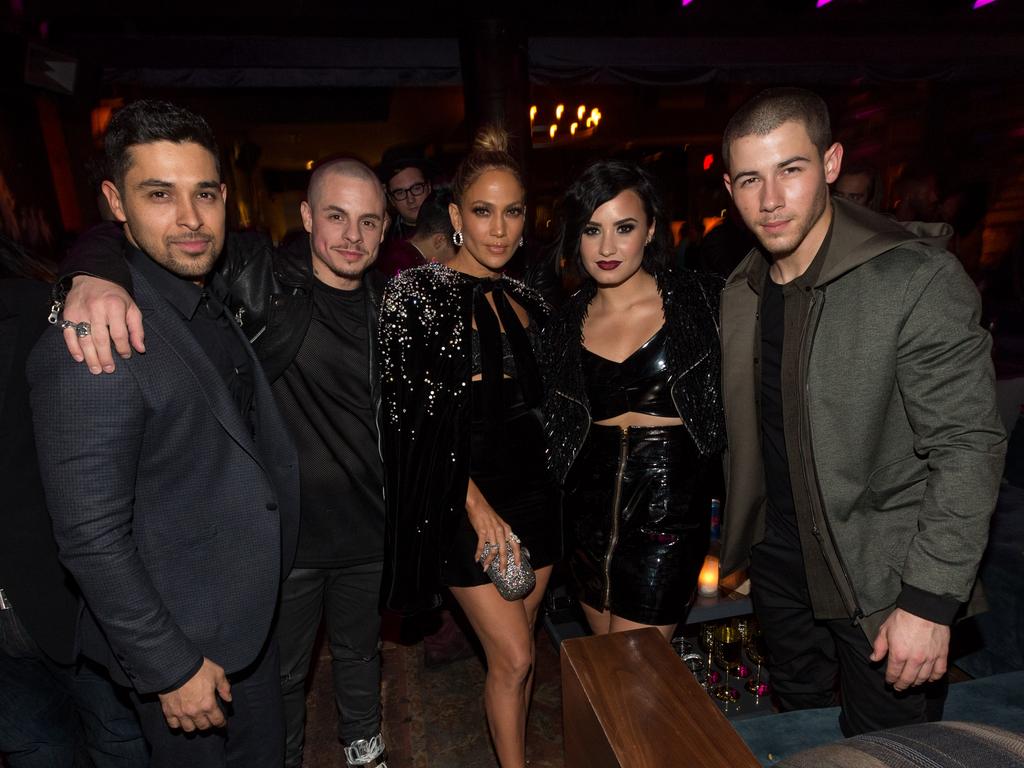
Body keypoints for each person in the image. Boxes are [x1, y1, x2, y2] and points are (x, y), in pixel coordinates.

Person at [56, 156, 394, 768]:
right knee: (282, 682)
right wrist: (90, 276)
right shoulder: (257, 273)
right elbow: (136, 231)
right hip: (284, 543)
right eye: (337, 217)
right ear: (306, 216)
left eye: (369, 222)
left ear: (385, 227)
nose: (352, 236)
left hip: (369, 531)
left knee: (360, 657)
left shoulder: (394, 310)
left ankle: (365, 751)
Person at [717, 87, 1005, 736]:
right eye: (749, 180)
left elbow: (968, 446)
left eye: (789, 170)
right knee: (806, 736)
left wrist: (930, 602)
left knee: (890, 750)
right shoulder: (745, 288)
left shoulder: (912, 279)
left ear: (831, 162)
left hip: (881, 579)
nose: (769, 200)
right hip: (782, 574)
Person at [27, 99, 300, 767]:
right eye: (159, 194)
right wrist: (168, 666)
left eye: (203, 193)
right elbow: (89, 534)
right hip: (183, 648)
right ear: (115, 203)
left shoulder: (202, 292)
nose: (189, 218)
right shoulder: (96, 335)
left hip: (244, 625)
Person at [378, 126, 559, 768]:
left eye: (513, 212)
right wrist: (474, 508)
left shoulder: (530, 296)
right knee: (510, 655)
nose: (500, 228)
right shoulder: (415, 295)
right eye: (483, 211)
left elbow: (548, 408)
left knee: (525, 650)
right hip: (462, 497)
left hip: (536, 494)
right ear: (456, 216)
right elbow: (412, 424)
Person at [542, 161, 726, 640]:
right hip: (587, 520)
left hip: (669, 516)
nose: (606, 248)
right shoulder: (562, 326)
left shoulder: (703, 301)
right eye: (591, 230)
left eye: (624, 228)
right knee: (608, 675)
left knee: (636, 667)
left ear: (649, 231)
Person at [0, 238, 148, 768]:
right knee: (37, 749)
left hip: (71, 592)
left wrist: (90, 278)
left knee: (119, 738)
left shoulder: (38, 310)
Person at [375, 186, 456, 277]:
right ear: (439, 241)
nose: (458, 258)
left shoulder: (393, 249)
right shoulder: (411, 273)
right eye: (457, 249)